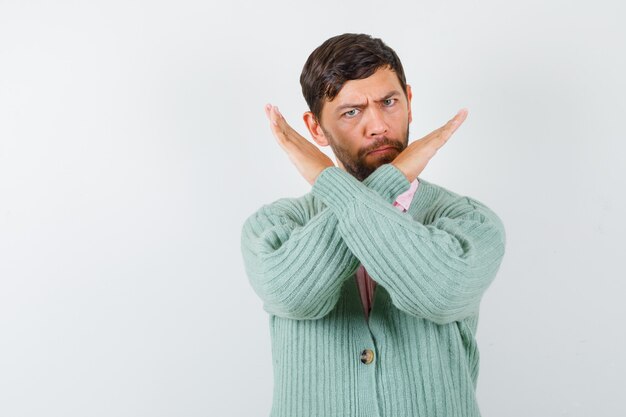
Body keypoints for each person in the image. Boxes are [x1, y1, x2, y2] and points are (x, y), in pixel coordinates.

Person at [240, 33, 506, 417]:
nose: (378, 125)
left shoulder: (469, 221)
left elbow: (440, 292)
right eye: (352, 112)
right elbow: (293, 293)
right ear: (315, 130)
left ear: (409, 103)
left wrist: (325, 177)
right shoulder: (275, 226)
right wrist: (392, 178)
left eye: (389, 102)